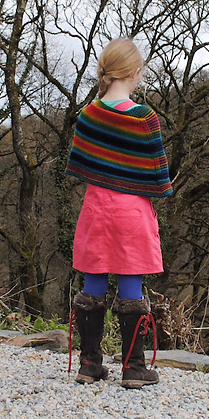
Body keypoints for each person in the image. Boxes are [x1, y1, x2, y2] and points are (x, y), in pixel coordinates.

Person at [66, 38, 173, 389]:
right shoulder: (144, 118)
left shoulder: (88, 116)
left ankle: (89, 364)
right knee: (131, 279)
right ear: (134, 72)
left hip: (96, 208)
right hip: (132, 211)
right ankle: (133, 369)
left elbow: (83, 165)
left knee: (93, 279)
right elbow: (158, 175)